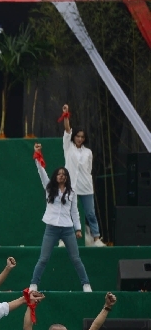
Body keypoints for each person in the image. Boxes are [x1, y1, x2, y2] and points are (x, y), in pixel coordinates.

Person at [29, 143, 91, 292]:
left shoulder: (71, 192)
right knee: (43, 258)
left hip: (67, 228)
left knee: (76, 258)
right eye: (59, 173)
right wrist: (38, 157)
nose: (61, 175)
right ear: (56, 176)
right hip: (51, 227)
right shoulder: (49, 187)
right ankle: (33, 284)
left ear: (67, 177)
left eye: (64, 174)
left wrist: (78, 229)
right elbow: (41, 173)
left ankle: (86, 284)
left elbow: (75, 211)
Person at [61, 104, 106, 247]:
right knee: (67, 212)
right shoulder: (68, 147)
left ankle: (96, 238)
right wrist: (66, 114)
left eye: (82, 137)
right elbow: (67, 129)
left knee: (90, 213)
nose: (79, 139)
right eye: (77, 136)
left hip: (86, 186)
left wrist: (88, 182)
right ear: (74, 137)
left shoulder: (88, 152)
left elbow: (89, 169)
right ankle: (63, 239)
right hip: (71, 186)